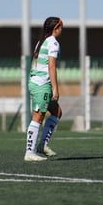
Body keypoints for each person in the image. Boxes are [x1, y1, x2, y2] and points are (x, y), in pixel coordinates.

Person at [24, 17, 63, 161]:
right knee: (37, 117)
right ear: (55, 28)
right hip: (42, 84)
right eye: (60, 27)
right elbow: (51, 66)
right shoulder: (53, 42)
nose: (61, 30)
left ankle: (42, 145)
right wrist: (55, 89)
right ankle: (30, 152)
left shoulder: (42, 41)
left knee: (56, 112)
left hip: (37, 81)